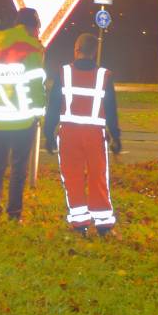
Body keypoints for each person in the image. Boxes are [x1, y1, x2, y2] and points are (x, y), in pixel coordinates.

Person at [44, 33, 122, 237]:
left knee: (72, 178)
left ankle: (80, 224)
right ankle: (104, 225)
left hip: (69, 133)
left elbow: (52, 107)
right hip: (95, 135)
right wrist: (116, 137)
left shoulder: (63, 73)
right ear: (95, 52)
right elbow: (111, 109)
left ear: (76, 49)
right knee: (98, 177)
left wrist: (48, 134)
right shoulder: (104, 75)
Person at [0, 8, 46, 221]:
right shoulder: (32, 50)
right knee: (18, 167)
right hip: (22, 119)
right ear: (32, 27)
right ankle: (14, 212)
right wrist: (40, 114)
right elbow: (36, 86)